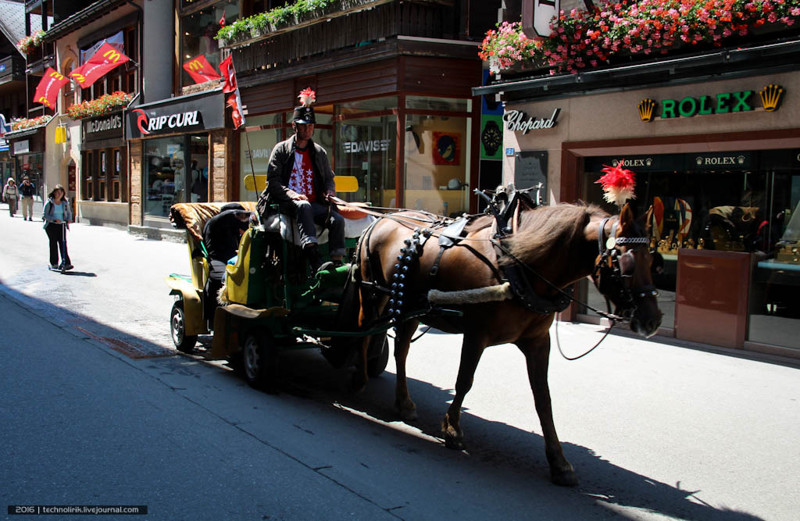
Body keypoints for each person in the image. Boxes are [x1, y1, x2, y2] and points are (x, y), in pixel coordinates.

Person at [257, 88, 345, 273]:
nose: (307, 129)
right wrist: (292, 195)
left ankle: (337, 262)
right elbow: (273, 182)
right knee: (303, 205)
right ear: (294, 126)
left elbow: (329, 178)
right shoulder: (281, 150)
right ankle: (314, 258)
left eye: (310, 126)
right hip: (286, 203)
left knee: (337, 219)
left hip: (314, 203)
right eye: (303, 125)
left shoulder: (319, 152)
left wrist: (330, 192)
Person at [202, 203, 252, 323]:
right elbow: (228, 216)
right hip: (217, 259)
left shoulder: (236, 230)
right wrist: (252, 214)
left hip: (235, 259)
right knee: (221, 278)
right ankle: (214, 318)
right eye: (239, 216)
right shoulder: (214, 223)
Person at [42, 184, 73, 271]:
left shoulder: (65, 203)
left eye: (61, 192)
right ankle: (54, 263)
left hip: (62, 225)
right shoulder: (49, 202)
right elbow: (45, 215)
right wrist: (54, 220)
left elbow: (69, 213)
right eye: (57, 192)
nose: (59, 194)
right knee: (53, 243)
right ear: (54, 193)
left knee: (63, 243)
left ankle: (66, 262)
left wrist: (69, 219)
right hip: (51, 225)